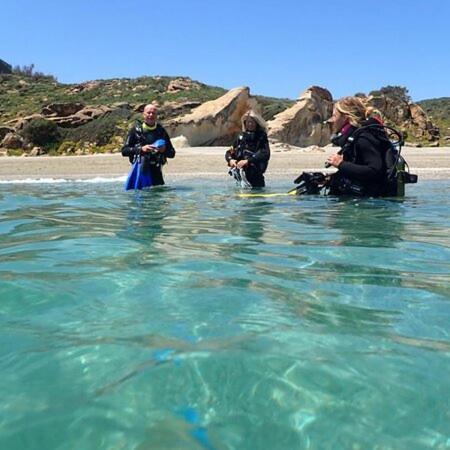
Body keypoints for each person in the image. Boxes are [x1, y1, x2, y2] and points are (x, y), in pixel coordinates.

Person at [325, 96, 393, 197]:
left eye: (334, 116)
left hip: (370, 204)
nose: (332, 120)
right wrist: (332, 178)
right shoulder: (353, 138)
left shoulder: (364, 138)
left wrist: (340, 164)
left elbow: (375, 170)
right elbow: (357, 167)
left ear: (345, 117)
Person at [121, 104, 175, 186]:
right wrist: (141, 149)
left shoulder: (161, 131)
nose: (151, 115)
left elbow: (172, 153)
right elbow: (124, 151)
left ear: (157, 115)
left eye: (153, 113)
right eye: (148, 113)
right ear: (144, 114)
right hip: (141, 171)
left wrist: (164, 150)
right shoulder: (136, 131)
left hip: (157, 173)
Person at [225, 110, 270, 188]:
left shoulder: (261, 136)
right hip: (241, 177)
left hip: (255, 177)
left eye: (252, 122)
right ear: (244, 123)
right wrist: (230, 160)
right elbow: (229, 152)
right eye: (248, 122)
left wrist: (248, 161)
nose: (250, 124)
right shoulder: (240, 137)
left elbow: (265, 153)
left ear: (256, 123)